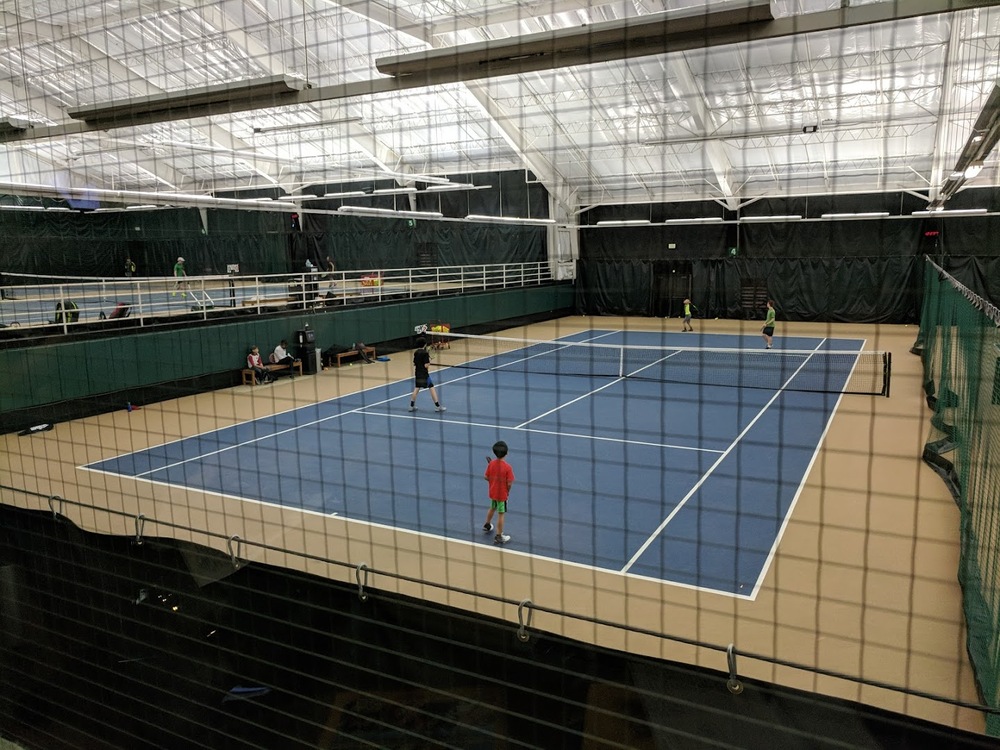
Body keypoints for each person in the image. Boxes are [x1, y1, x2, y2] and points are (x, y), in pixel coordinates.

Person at [482, 440, 514, 545]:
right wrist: (507, 492)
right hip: (502, 495)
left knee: (492, 508)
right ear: (507, 453)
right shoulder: (508, 468)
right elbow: (509, 483)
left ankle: (487, 525)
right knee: (501, 514)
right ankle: (499, 536)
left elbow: (486, 477)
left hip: (493, 493)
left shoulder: (491, 464)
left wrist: (493, 481)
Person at [408, 336, 446, 412]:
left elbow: (414, 363)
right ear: (425, 344)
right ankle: (438, 406)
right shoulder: (425, 353)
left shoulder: (416, 352)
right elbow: (426, 365)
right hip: (424, 375)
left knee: (416, 388)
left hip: (417, 373)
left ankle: (411, 406)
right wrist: (429, 361)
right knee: (432, 388)